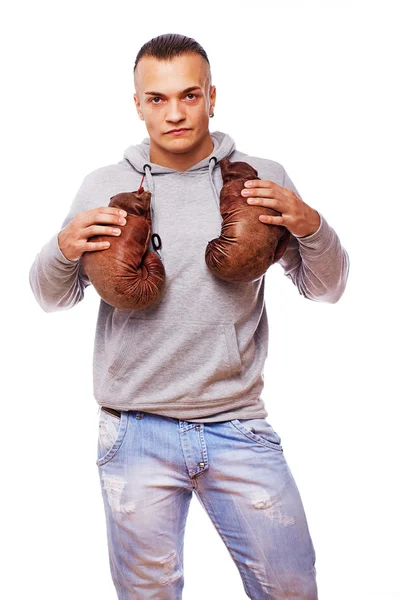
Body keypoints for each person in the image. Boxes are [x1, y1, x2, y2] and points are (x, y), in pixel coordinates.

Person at [29, 33, 349, 600]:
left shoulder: (259, 178)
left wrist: (310, 224)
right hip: (134, 431)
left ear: (212, 96)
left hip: (237, 424)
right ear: (137, 104)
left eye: (189, 95)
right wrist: (61, 247)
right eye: (157, 99)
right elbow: (52, 298)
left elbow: (326, 289)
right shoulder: (104, 186)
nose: (175, 113)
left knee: (292, 588)